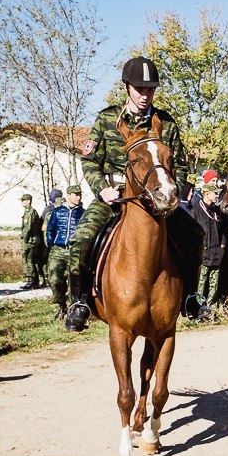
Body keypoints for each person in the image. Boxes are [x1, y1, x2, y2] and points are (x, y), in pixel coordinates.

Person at [65, 56, 209, 332]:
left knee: (194, 234)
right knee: (81, 241)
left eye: (150, 90)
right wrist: (101, 189)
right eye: (140, 89)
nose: (145, 95)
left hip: (157, 201)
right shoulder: (107, 119)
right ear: (126, 88)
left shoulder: (166, 123)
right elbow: (89, 160)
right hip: (115, 197)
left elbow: (179, 164)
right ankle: (80, 301)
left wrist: (172, 190)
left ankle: (190, 296)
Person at [44, 186, 85, 319]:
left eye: (80, 194)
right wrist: (52, 244)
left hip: (75, 251)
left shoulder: (83, 213)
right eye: (75, 195)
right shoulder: (57, 211)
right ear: (68, 195)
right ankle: (62, 306)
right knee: (54, 279)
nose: (78, 197)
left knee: (74, 281)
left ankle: (74, 310)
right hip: (58, 249)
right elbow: (50, 229)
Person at [189, 183, 228, 310]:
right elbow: (192, 233)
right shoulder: (195, 210)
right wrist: (201, 247)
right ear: (207, 194)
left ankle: (212, 307)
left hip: (217, 252)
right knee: (201, 282)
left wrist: (222, 245)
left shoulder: (216, 210)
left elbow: (223, 229)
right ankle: (199, 308)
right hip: (203, 254)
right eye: (215, 193)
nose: (218, 195)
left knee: (214, 282)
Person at [18, 193, 44, 290]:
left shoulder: (30, 212)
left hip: (30, 240)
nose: (22, 202)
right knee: (33, 260)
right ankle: (35, 280)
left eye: (23, 200)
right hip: (32, 239)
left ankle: (31, 281)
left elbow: (28, 227)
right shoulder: (29, 212)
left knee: (28, 259)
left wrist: (24, 238)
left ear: (28, 201)